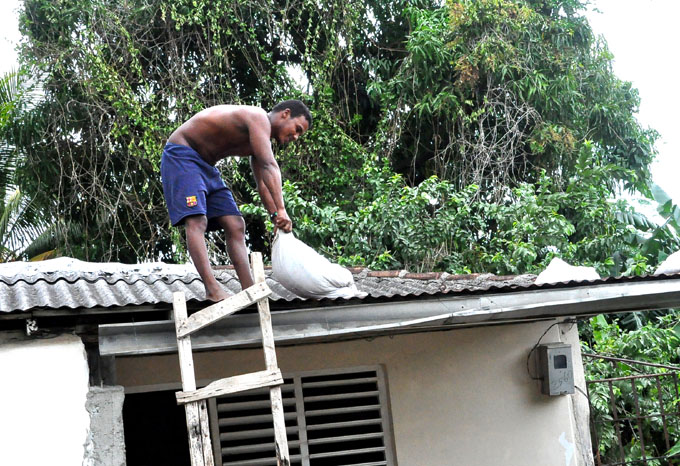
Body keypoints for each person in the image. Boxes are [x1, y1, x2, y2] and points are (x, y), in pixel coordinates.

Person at [160, 100, 312, 301]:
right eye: (297, 129)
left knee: (235, 224)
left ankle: (250, 290)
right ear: (285, 114)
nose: (295, 136)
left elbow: (263, 185)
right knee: (197, 220)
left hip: (206, 166)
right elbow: (269, 166)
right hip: (183, 154)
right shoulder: (258, 118)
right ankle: (212, 289)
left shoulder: (258, 140)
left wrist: (275, 216)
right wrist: (282, 209)